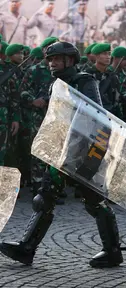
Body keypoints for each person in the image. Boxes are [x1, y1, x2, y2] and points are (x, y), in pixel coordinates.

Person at [0, 41, 124, 268]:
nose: (52, 63)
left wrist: (88, 156)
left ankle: (112, 251)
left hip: (84, 152)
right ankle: (27, 248)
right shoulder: (57, 84)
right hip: (64, 151)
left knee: (93, 202)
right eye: (50, 59)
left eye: (57, 59)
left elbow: (95, 115)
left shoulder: (85, 81)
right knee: (46, 196)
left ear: (70, 61)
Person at [18, 37, 58, 197]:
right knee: (39, 151)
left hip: (57, 116)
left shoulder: (61, 71)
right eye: (49, 47)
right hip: (37, 116)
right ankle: (37, 184)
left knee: (54, 152)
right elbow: (22, 91)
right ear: (43, 51)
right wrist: (33, 100)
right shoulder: (34, 70)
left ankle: (53, 186)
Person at [0, 43, 21, 166]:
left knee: (2, 157)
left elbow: (15, 96)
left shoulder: (7, 68)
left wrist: (15, 118)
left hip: (2, 118)